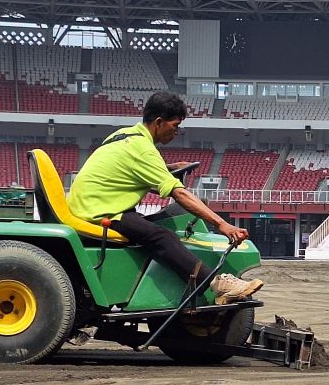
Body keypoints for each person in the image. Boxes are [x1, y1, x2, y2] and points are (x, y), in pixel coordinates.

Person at [68, 91, 263, 303]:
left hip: (89, 204)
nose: (176, 131)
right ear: (159, 122)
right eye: (175, 126)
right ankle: (217, 284)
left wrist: (166, 168)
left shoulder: (125, 135)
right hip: (101, 212)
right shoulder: (143, 151)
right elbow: (179, 193)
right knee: (163, 237)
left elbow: (130, 169)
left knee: (155, 225)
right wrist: (223, 224)